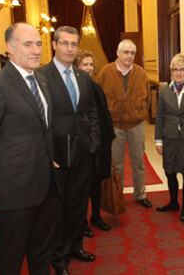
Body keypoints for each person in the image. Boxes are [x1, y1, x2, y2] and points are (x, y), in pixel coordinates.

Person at [0, 22, 58, 274]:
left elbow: (44, 127)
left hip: (45, 185)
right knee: (11, 258)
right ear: (9, 48)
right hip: (13, 192)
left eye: (38, 43)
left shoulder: (40, 79)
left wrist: (50, 158)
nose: (36, 50)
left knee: (42, 252)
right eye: (27, 44)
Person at [39, 26, 100, 274]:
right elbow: (39, 119)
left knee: (77, 204)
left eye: (73, 44)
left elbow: (91, 112)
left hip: (83, 152)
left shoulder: (83, 77)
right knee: (59, 208)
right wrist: (48, 152)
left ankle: (76, 246)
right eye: (64, 43)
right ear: (54, 44)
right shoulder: (42, 76)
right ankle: (59, 257)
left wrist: (94, 141)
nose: (69, 48)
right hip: (57, 155)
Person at [96, 39, 152, 208]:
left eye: (132, 53)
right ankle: (116, 194)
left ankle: (140, 194)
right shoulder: (105, 72)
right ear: (118, 53)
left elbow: (147, 98)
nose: (129, 56)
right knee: (116, 164)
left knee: (138, 162)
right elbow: (98, 98)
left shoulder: (141, 73)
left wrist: (140, 112)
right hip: (114, 126)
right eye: (126, 52)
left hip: (136, 125)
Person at [154, 54, 184, 222]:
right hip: (170, 139)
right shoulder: (164, 91)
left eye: (183, 69)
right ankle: (173, 202)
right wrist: (158, 140)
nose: (179, 73)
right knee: (170, 172)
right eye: (176, 69)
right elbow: (160, 117)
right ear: (171, 72)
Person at [75, 50, 114, 236]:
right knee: (81, 187)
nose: (89, 68)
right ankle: (81, 222)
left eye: (91, 64)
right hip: (82, 146)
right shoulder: (73, 87)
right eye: (85, 64)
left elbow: (103, 115)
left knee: (96, 183)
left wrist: (107, 140)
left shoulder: (96, 86)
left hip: (99, 144)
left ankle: (96, 216)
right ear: (77, 66)